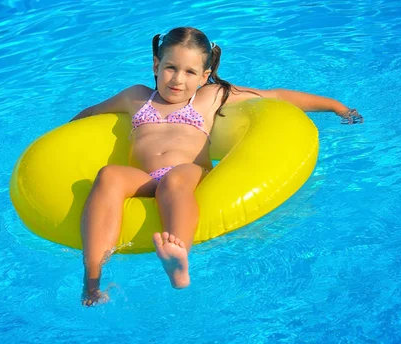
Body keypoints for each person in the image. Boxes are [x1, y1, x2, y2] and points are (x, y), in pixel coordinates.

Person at [71, 27, 363, 306]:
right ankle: (92, 279)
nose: (178, 79)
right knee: (109, 175)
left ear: (205, 75)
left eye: (190, 72)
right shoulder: (135, 96)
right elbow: (91, 113)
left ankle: (178, 261)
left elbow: (276, 96)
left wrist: (337, 107)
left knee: (176, 177)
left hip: (189, 175)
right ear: (156, 64)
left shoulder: (212, 96)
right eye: (170, 67)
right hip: (144, 180)